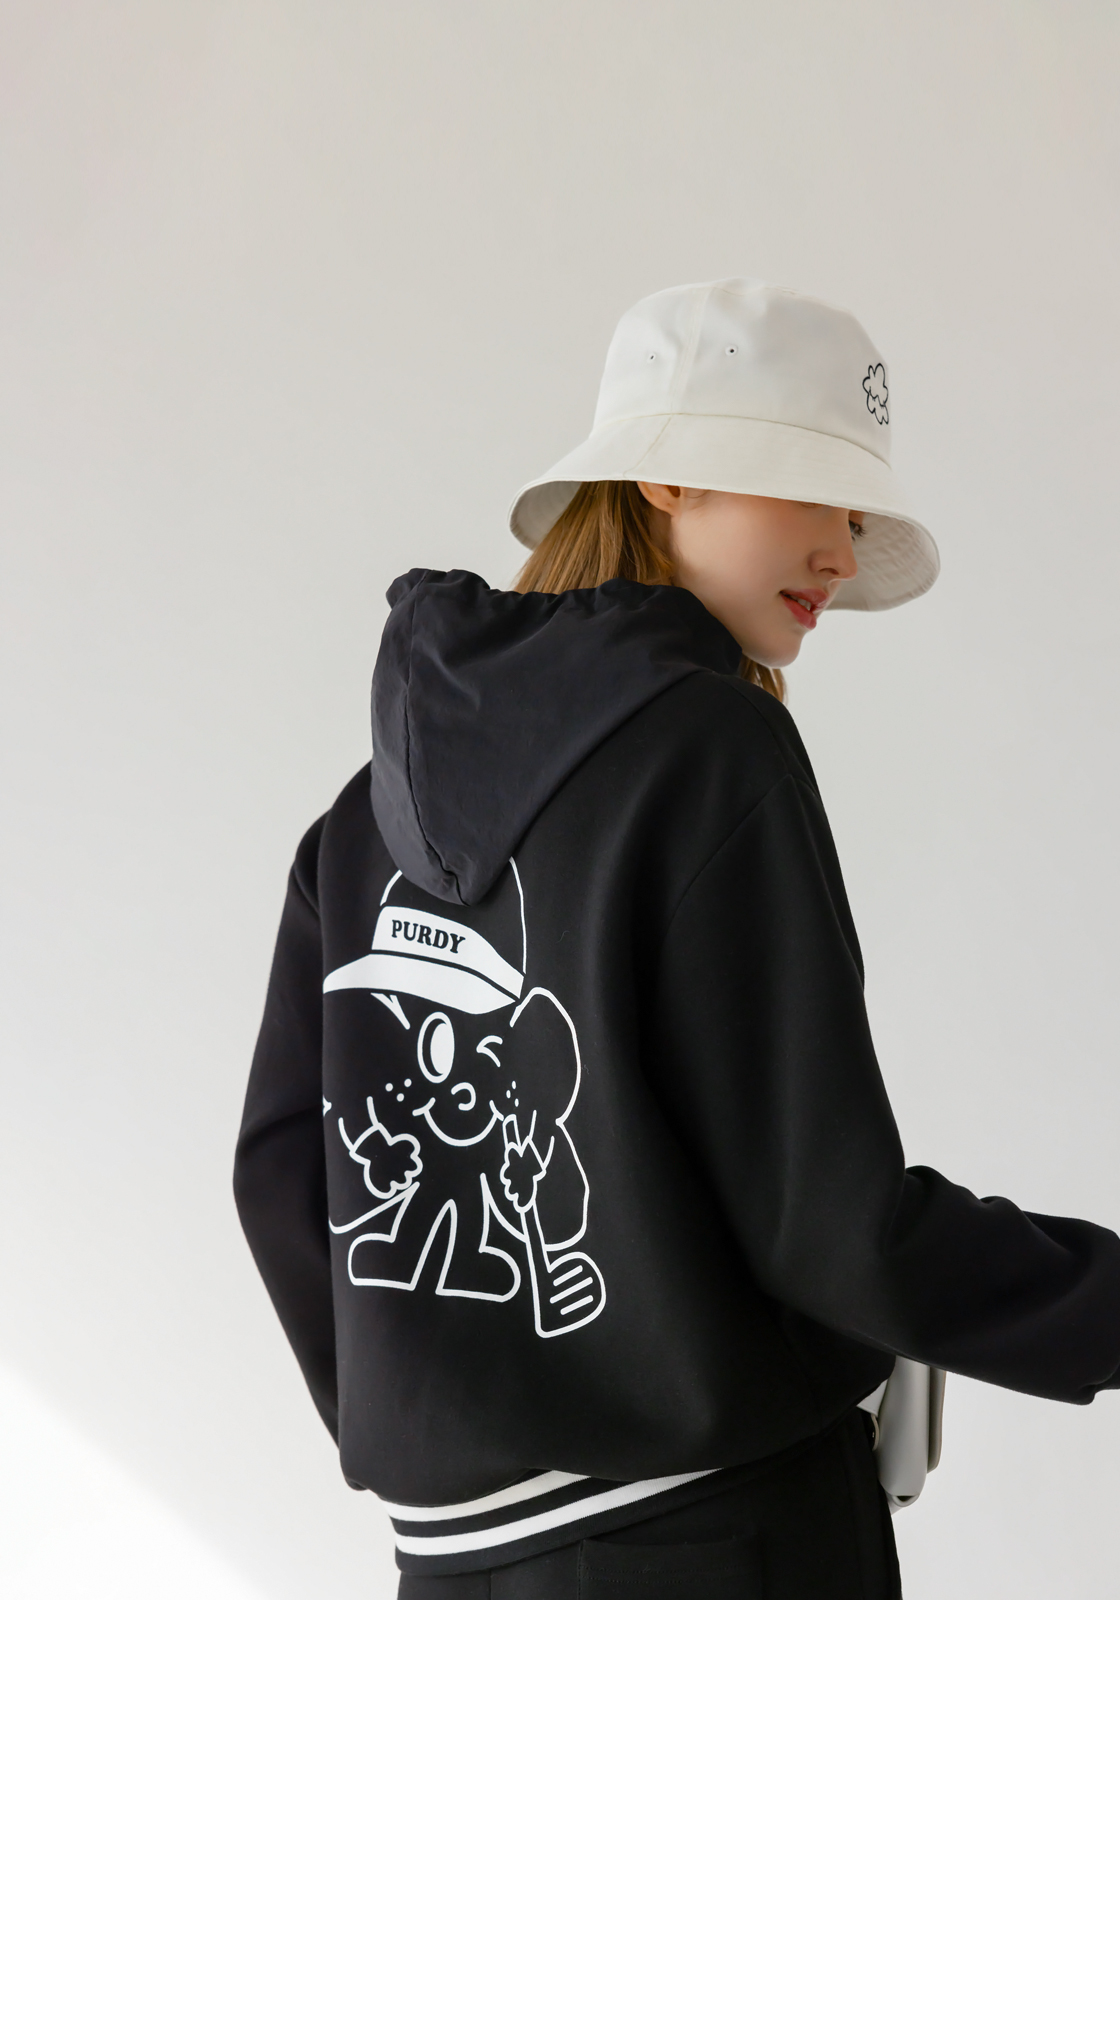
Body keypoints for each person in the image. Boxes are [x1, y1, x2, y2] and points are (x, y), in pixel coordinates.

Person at [234, 279, 1120, 1600]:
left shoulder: (360, 819)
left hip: (455, 1574)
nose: (842, 553)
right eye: (819, 494)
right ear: (668, 479)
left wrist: (445, 1419)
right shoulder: (710, 747)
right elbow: (831, 1224)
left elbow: (281, 1176)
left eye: (856, 516)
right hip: (723, 1538)